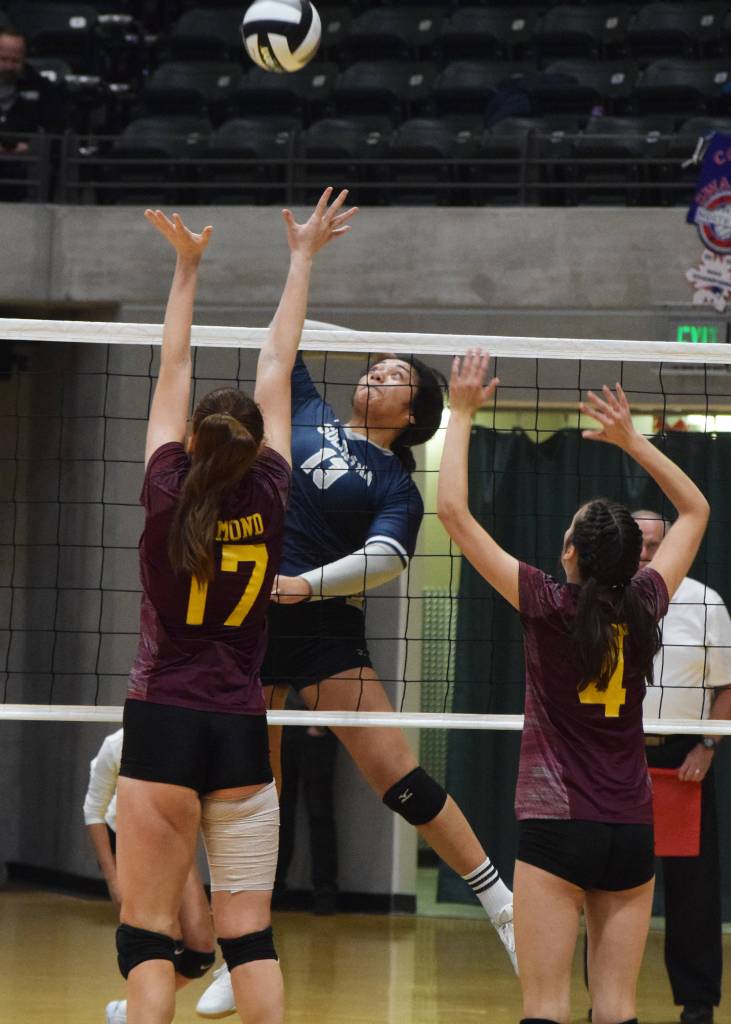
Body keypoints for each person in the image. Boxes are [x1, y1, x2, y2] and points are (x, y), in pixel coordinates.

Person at [114, 187, 357, 1024]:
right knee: (247, 937)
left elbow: (172, 368)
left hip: (161, 722)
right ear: (257, 446)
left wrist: (186, 270)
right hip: (240, 726)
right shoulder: (274, 492)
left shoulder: (164, 490)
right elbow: (277, 367)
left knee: (146, 934)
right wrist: (300, 260)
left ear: (192, 443)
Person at [437, 351, 709, 1024]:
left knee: (545, 1006)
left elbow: (451, 513)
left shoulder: (545, 602)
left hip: (557, 826)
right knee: (614, 1006)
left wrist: (462, 411)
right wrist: (631, 439)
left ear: (569, 554)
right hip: (628, 826)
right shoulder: (649, 599)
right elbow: (695, 510)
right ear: (630, 561)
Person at [633, 510, 731, 1024]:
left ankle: (698, 1004)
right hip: (617, 756)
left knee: (693, 889)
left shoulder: (705, 601)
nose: (647, 553)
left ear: (672, 543)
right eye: (638, 543)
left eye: (655, 543)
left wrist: (707, 747)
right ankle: (605, 999)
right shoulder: (601, 596)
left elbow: (728, 686)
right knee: (607, 881)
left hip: (683, 757)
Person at [83, 729, 215, 1024]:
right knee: (160, 941)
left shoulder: (193, 737)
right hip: (130, 839)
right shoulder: (116, 745)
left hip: (173, 839)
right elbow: (93, 811)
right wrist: (113, 878)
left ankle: (128, 1010)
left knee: (201, 953)